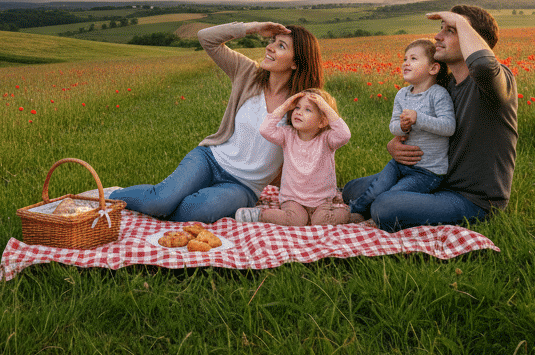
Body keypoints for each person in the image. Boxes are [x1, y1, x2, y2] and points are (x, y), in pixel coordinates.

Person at [110, 21, 324, 223]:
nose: (270, 47)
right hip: (210, 160)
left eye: (281, 46)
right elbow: (206, 38)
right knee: (160, 202)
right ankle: (110, 196)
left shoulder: (303, 105)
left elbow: (313, 151)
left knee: (193, 211)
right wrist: (254, 27)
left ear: (296, 62)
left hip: (243, 187)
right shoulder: (248, 73)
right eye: (272, 41)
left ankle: (165, 201)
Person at [341, 5, 518, 231]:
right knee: (352, 190)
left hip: (472, 200)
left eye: (450, 30)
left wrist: (461, 23)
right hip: (433, 178)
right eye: (441, 28)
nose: (437, 36)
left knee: (384, 207)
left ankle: (397, 203)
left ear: (473, 39)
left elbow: (483, 65)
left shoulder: (495, 83)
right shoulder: (444, 86)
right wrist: (395, 144)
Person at [345, 38, 454, 219]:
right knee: (376, 190)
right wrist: (402, 128)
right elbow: (393, 126)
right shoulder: (402, 94)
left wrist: (418, 118)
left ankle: (372, 216)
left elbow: (448, 127)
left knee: (391, 196)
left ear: (433, 68)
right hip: (399, 164)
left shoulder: (438, 94)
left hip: (427, 172)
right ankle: (353, 212)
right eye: (405, 59)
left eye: (413, 59)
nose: (406, 63)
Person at [234, 88, 351, 226]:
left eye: (308, 110)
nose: (299, 112)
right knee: (296, 220)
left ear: (322, 122)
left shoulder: (327, 140)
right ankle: (260, 214)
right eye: (297, 107)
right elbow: (265, 130)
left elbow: (345, 135)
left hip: (321, 200)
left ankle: (347, 213)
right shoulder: (287, 135)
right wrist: (284, 107)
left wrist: (326, 108)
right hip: (292, 198)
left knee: (320, 221)